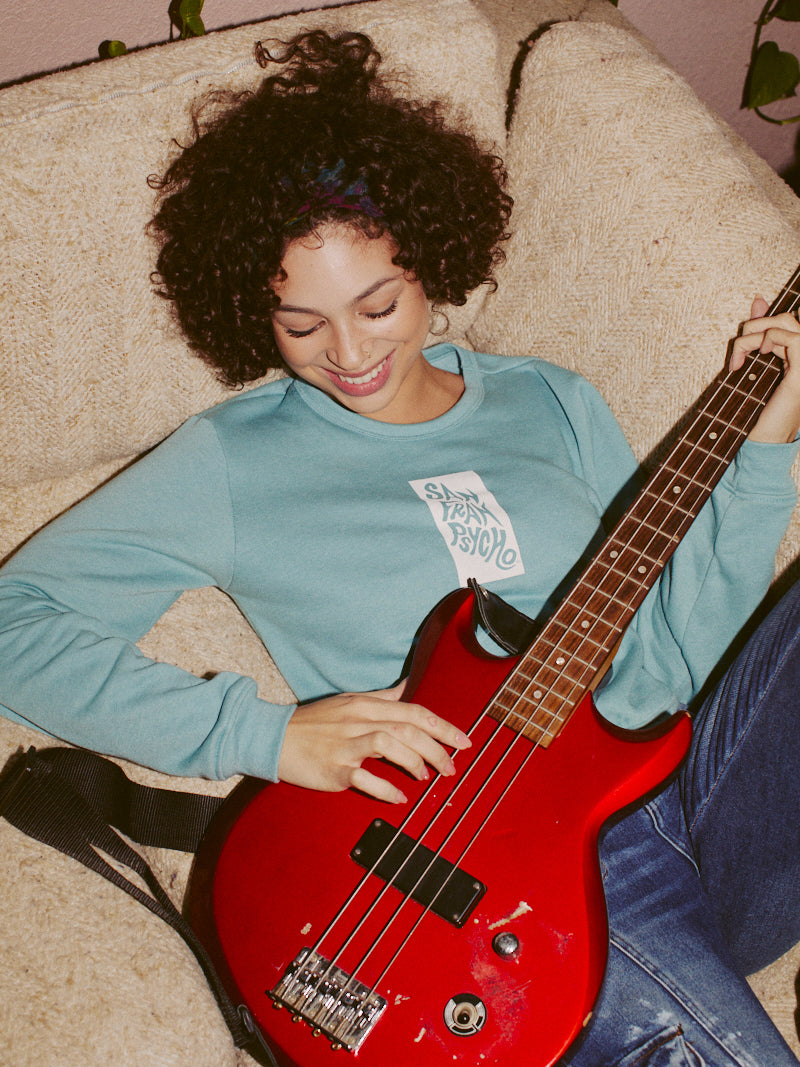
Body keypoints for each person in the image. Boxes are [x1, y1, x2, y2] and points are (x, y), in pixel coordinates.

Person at [1, 29, 800, 1066]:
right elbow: (15, 625)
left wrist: (763, 447)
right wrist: (267, 734)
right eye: (300, 323)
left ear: (429, 261)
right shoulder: (230, 461)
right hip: (488, 875)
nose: (348, 352)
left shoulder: (546, 397)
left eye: (377, 304)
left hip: (672, 790)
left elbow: (670, 656)